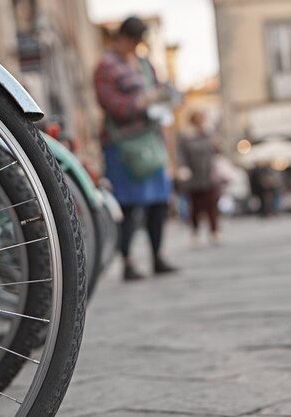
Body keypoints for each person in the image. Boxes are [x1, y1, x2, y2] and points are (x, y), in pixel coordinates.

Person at [93, 16, 177, 281]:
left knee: (158, 202)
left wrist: (164, 99)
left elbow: (158, 93)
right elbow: (111, 104)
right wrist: (141, 102)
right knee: (128, 206)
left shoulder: (144, 64)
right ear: (125, 38)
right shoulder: (106, 67)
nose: (137, 46)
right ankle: (127, 262)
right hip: (123, 145)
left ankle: (158, 256)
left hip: (150, 140)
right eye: (135, 41)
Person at [177, 111, 221, 245]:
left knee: (211, 204)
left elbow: (217, 151)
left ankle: (214, 232)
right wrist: (183, 168)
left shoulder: (209, 132)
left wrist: (217, 146)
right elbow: (181, 154)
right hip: (193, 175)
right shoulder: (185, 135)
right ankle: (195, 232)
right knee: (195, 206)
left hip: (208, 173)